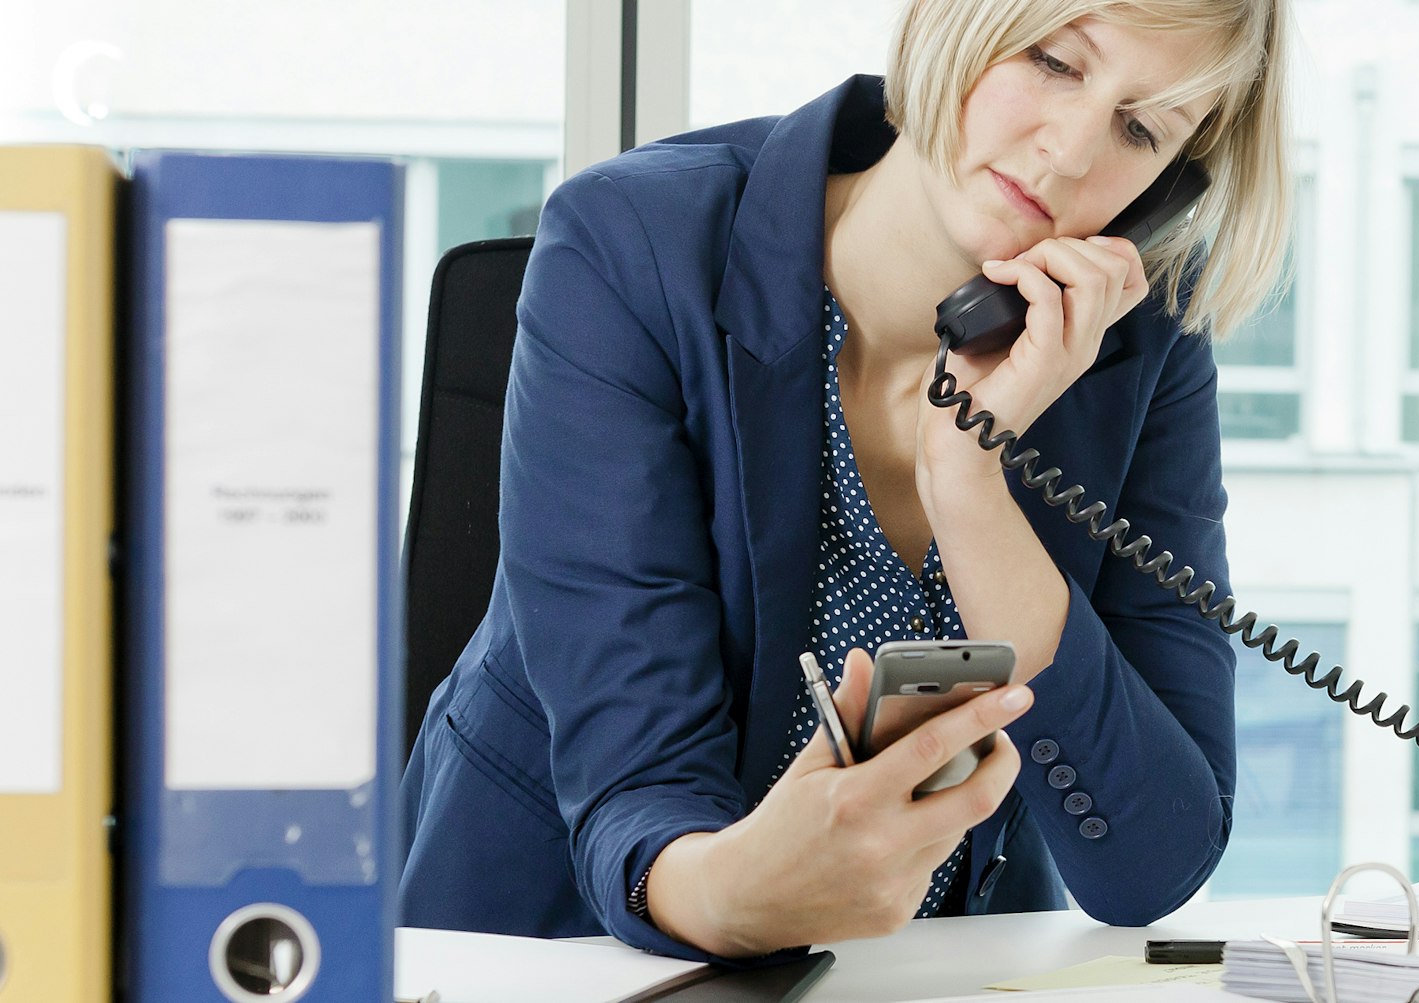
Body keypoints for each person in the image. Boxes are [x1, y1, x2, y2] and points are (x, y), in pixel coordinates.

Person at [401, 0, 1293, 963]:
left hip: (915, 974)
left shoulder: (1137, 337)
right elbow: (640, 793)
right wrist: (757, 891)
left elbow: (1151, 865)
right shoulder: (632, 243)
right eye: (1052, 62)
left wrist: (969, 475)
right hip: (570, 953)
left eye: (1140, 128)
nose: (1071, 153)